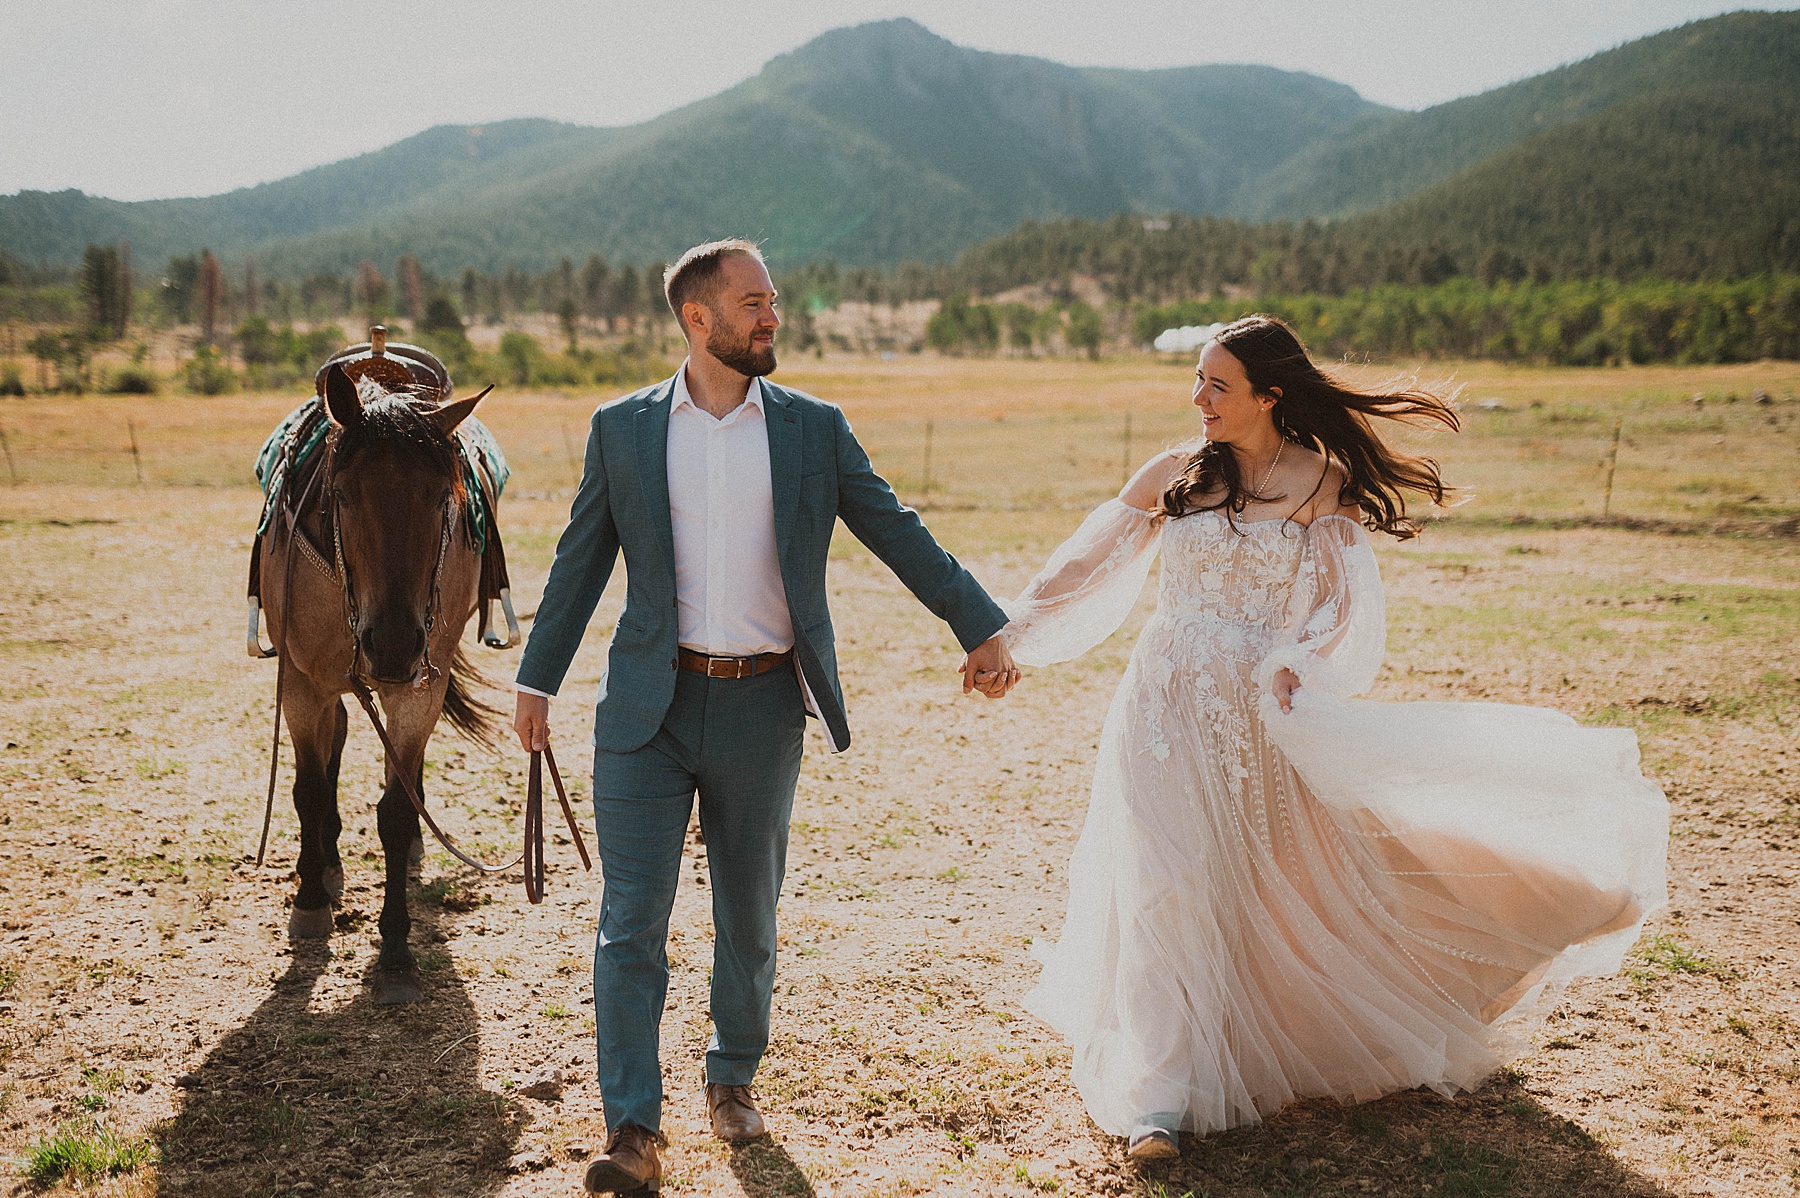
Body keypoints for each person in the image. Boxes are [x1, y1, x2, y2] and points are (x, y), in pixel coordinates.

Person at [1000, 314, 1668, 1160]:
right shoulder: (1175, 472)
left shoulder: (1322, 481)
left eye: (1217, 384)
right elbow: (1086, 563)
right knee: (1163, 877)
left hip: (1257, 713)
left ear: (1269, 396)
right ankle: (1155, 1099)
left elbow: (1341, 602)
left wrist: (1298, 660)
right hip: (1162, 706)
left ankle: (1270, 1032)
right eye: (1198, 380)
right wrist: (1012, 631)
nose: (1197, 397)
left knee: (1277, 879)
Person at [512, 238, 1020, 1194]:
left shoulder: (811, 429)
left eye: (773, 301)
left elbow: (895, 528)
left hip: (762, 705)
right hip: (646, 710)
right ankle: (632, 1130)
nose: (771, 316)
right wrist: (538, 680)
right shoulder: (622, 428)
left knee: (748, 912)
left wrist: (977, 625)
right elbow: (581, 558)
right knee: (631, 921)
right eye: (752, 303)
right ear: (697, 319)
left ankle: (732, 1075)